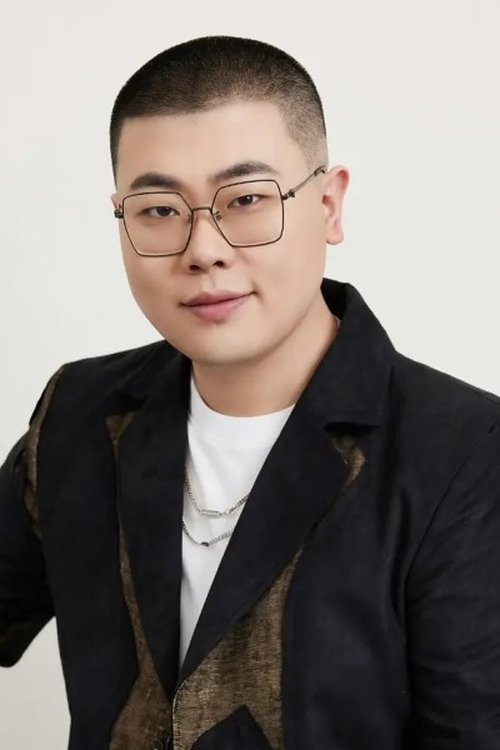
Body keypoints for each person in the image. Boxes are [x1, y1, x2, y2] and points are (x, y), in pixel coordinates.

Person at [1, 34, 500, 750]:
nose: (203, 249)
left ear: (328, 205)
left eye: (246, 199)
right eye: (159, 210)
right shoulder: (78, 412)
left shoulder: (466, 453)